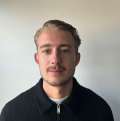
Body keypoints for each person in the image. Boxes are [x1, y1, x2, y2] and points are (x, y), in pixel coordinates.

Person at [0, 20, 114, 121]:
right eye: (46, 51)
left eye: (64, 50)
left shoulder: (100, 110)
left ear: (77, 59)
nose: (55, 60)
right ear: (37, 59)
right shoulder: (12, 113)